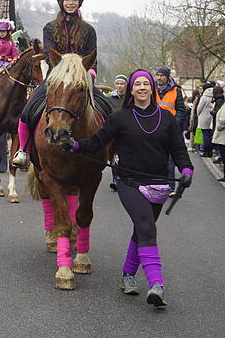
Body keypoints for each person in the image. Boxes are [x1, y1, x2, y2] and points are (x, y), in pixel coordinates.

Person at [59, 70, 193, 308]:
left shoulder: (167, 118)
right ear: (131, 90)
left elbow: (179, 151)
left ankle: (127, 275)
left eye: (146, 84)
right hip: (129, 181)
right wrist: (75, 145)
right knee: (146, 227)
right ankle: (157, 285)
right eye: (137, 84)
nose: (142, 88)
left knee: (140, 231)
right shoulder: (119, 117)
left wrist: (186, 172)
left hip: (159, 184)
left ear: (152, 88)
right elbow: (97, 142)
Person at [12, 0, 98, 169]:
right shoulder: (50, 28)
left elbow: (93, 57)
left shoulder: (89, 31)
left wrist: (89, 73)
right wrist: (61, 71)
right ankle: (24, 151)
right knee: (27, 111)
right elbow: (51, 57)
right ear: (61, 2)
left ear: (79, 2)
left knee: (108, 108)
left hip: (81, 78)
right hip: (57, 77)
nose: (70, 2)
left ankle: (114, 152)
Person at [195, 82, 216, 157]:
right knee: (210, 135)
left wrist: (198, 115)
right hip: (211, 117)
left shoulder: (204, 97)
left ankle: (205, 151)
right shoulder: (214, 96)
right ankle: (210, 151)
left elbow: (199, 108)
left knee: (205, 135)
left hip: (203, 118)